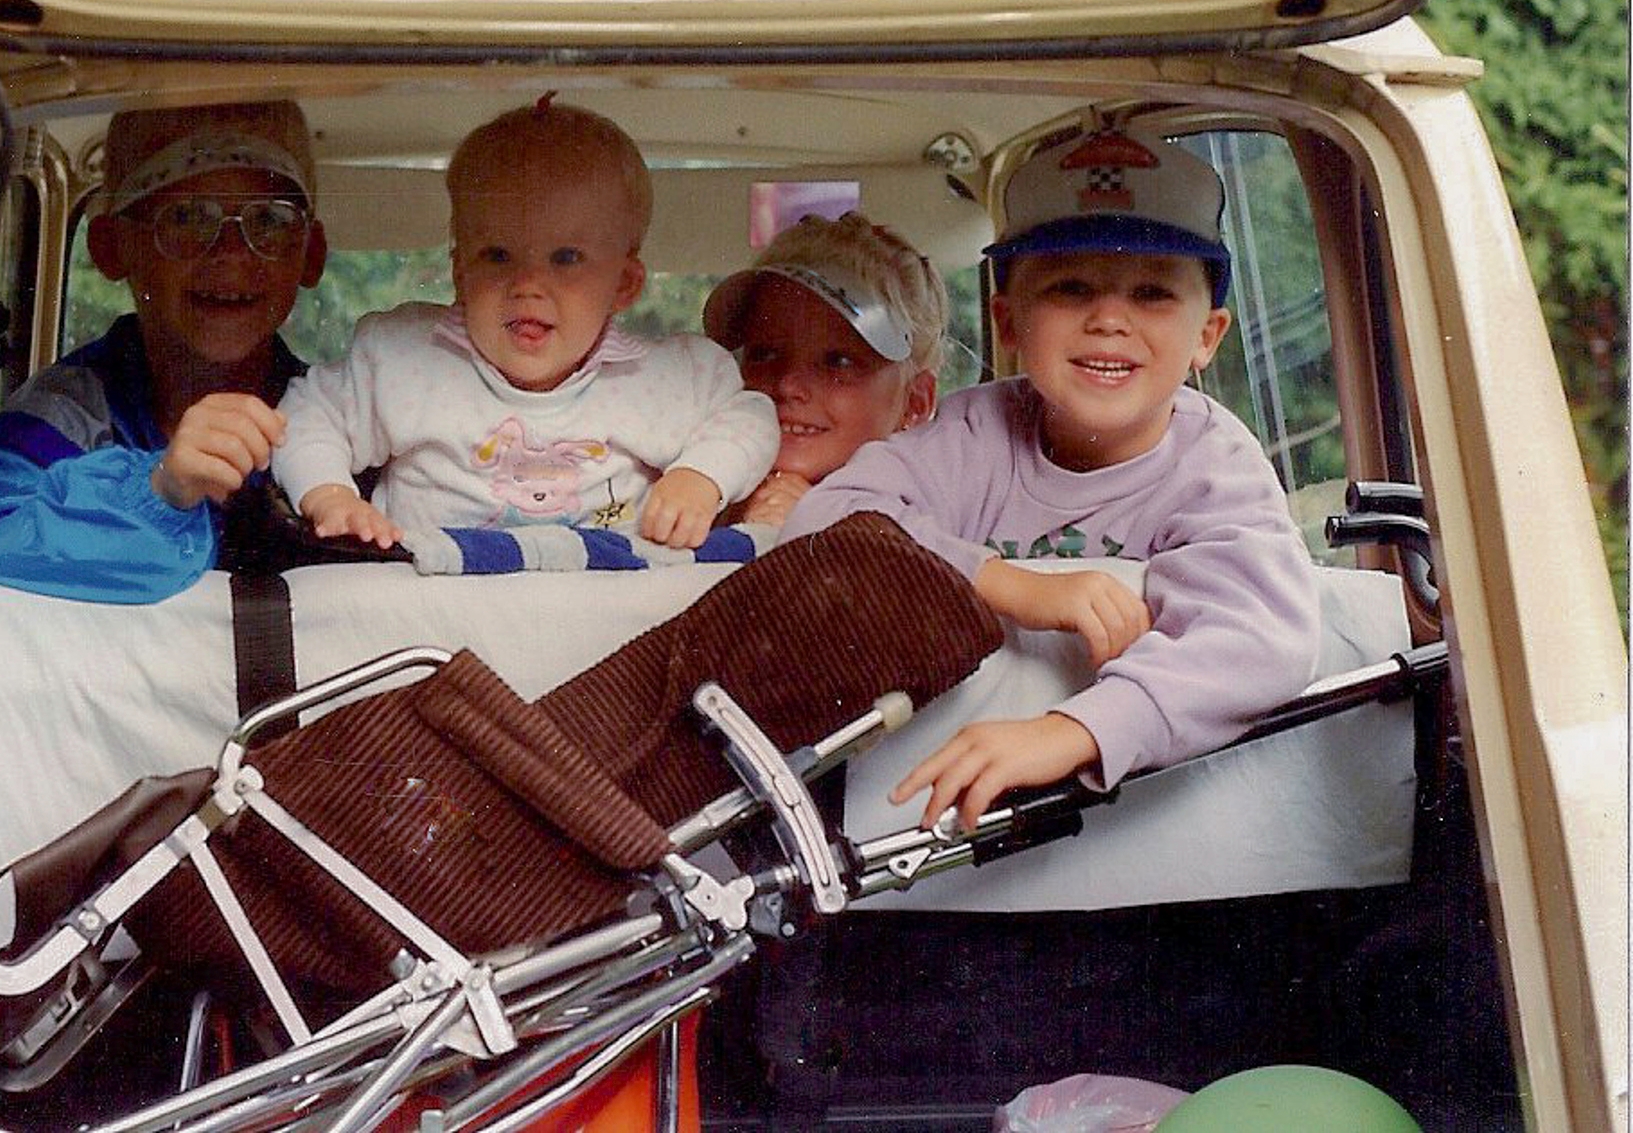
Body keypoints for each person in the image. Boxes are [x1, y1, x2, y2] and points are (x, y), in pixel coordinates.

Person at [781, 126, 1318, 830]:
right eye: (1069, 288)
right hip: (930, 823)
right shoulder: (972, 433)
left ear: (1207, 338)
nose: (1107, 319)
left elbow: (1261, 637)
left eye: (1152, 292)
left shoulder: (1214, 463)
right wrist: (1009, 585)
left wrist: (1073, 730)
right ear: (1008, 322)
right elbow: (821, 521)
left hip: (1138, 829)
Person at [271, 97, 780, 551]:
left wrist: (699, 476)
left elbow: (751, 417)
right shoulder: (404, 360)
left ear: (624, 284)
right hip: (433, 619)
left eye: (565, 257)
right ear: (460, 273)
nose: (528, 284)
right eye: (497, 255)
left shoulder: (666, 379)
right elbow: (306, 415)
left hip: (606, 625)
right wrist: (329, 494)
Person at [0, 101, 333, 602]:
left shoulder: (345, 420)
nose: (230, 251)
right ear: (112, 247)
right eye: (186, 217)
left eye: (269, 220)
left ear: (311, 254)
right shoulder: (53, 425)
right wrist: (157, 492)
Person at [703, 211, 948, 527]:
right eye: (763, 353)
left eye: (838, 362)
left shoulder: (932, 519)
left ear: (915, 403)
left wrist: (819, 527)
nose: (788, 384)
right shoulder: (687, 486)